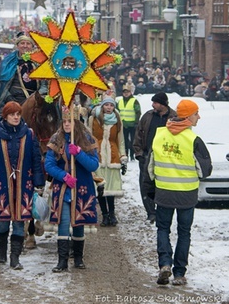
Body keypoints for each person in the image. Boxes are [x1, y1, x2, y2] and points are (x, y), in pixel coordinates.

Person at [143, 99, 212, 286]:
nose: (199, 117)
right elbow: (205, 171)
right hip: (186, 195)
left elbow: (150, 167)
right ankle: (179, 273)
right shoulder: (193, 140)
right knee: (184, 232)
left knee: (163, 229)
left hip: (164, 192)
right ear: (188, 116)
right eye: (196, 113)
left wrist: (150, 190)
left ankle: (165, 263)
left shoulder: (160, 135)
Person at [0, 101, 45, 270]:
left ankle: (15, 257)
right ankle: (2, 249)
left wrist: (39, 182)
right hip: (1, 185)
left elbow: (36, 161)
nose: (16, 117)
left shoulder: (29, 135)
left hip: (23, 185)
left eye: (18, 114)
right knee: (2, 222)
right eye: (12, 114)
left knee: (19, 221)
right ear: (5, 116)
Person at [45, 106, 99, 273]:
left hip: (82, 186)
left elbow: (93, 165)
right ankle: (62, 261)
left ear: (76, 121)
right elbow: (49, 164)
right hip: (63, 188)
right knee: (64, 221)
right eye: (65, 121)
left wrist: (80, 153)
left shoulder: (86, 138)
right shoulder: (56, 139)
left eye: (70, 121)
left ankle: (78, 258)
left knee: (79, 222)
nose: (67, 124)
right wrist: (64, 176)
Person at [133, 92, 176, 223]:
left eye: (155, 102)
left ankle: (162, 210)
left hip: (166, 158)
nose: (153, 105)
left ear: (163, 104)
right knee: (146, 185)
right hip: (147, 156)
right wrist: (139, 153)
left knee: (163, 187)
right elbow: (139, 134)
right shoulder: (148, 116)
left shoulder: (174, 117)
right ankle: (151, 212)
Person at [88, 95, 127, 227]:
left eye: (111, 105)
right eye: (106, 105)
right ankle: (104, 215)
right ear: (102, 105)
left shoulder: (117, 119)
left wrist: (123, 156)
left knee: (111, 188)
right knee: (100, 187)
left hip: (113, 155)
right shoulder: (93, 118)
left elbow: (120, 139)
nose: (109, 108)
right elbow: (88, 136)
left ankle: (112, 214)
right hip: (97, 156)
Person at [0, 32, 40, 118]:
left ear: (32, 46)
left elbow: (46, 83)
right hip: (14, 99)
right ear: (17, 46)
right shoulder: (8, 62)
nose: (25, 46)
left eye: (28, 43)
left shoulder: (40, 62)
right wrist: (10, 99)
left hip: (36, 101)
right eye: (22, 43)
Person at [116, 83, 141, 161]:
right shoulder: (119, 101)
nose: (126, 94)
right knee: (124, 141)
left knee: (133, 140)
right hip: (123, 124)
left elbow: (138, 112)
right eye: (124, 92)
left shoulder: (134, 101)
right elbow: (117, 112)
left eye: (127, 92)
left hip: (132, 124)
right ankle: (125, 154)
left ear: (130, 92)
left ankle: (132, 155)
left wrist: (136, 122)